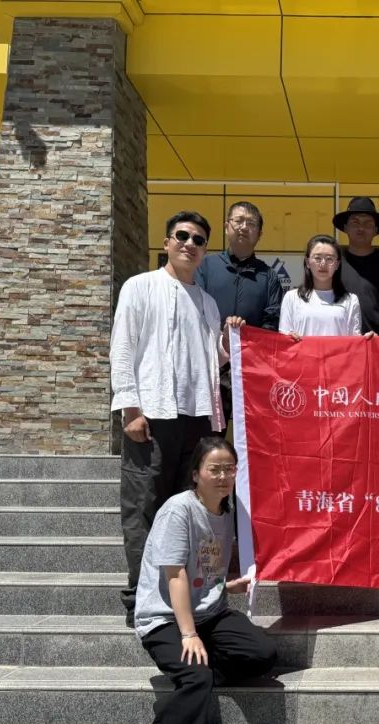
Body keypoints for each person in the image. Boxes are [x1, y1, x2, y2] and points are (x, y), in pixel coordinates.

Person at [111, 211, 243, 629]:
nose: (190, 244)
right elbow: (122, 347)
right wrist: (130, 407)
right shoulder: (140, 287)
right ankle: (141, 599)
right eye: (182, 236)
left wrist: (231, 341)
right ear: (167, 242)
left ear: (205, 251)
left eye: (198, 240)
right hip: (154, 414)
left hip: (199, 418)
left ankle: (187, 598)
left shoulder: (207, 302)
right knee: (145, 506)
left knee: (190, 509)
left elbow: (212, 360)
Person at [131, 437, 278, 724]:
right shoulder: (178, 510)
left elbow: (203, 572)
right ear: (196, 473)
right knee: (196, 679)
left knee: (263, 653)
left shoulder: (228, 512)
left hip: (209, 613)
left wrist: (226, 586)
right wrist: (188, 634)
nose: (224, 476)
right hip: (166, 619)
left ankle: (203, 666)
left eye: (230, 468)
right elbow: (176, 574)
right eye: (215, 469)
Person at [195, 201, 284, 425]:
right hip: (210, 366)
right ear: (227, 227)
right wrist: (221, 340)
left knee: (253, 432)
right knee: (208, 434)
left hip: (251, 368)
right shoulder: (205, 266)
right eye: (238, 221)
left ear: (260, 234)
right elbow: (195, 311)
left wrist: (249, 344)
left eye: (251, 223)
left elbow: (272, 321)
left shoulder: (269, 276)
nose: (244, 227)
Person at [334, 196, 379, 335]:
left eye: (367, 224)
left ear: (375, 230)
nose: (361, 228)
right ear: (345, 228)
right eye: (355, 222)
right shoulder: (334, 262)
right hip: (341, 340)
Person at [279, 235, 366, 339]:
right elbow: (284, 338)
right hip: (303, 350)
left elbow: (355, 342)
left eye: (329, 259)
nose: (323, 264)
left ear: (337, 264)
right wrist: (289, 337)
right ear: (307, 262)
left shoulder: (351, 300)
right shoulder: (291, 297)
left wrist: (369, 340)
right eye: (317, 258)